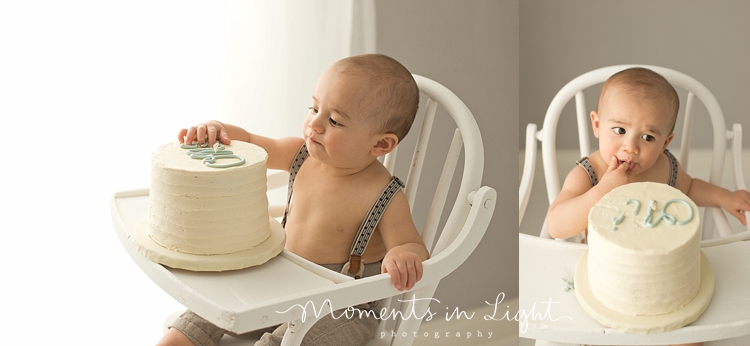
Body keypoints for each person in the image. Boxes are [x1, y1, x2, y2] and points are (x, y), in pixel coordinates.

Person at [156, 54, 429, 346]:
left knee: (293, 340)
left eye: (334, 120)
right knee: (203, 316)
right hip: (279, 281)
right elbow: (248, 140)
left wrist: (403, 256)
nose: (315, 124)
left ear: (380, 144)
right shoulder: (300, 154)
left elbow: (411, 244)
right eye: (314, 108)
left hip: (340, 305)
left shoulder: (384, 193)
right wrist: (216, 129)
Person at [547, 67, 750, 346]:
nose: (630, 147)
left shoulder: (664, 166)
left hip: (661, 286)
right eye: (619, 130)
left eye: (648, 138)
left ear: (666, 142)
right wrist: (603, 189)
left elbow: (689, 188)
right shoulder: (589, 173)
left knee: (688, 338)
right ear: (597, 125)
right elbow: (556, 225)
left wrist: (723, 196)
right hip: (602, 283)